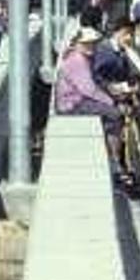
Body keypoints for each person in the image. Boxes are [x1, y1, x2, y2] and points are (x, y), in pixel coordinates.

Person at [54, 28, 123, 174]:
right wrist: (111, 101)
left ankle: (111, 153)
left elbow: (96, 80)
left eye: (93, 43)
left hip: (77, 99)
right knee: (115, 114)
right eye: (86, 43)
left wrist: (112, 89)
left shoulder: (85, 58)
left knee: (110, 108)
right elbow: (89, 89)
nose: (91, 46)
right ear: (78, 44)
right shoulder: (77, 60)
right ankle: (113, 159)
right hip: (71, 104)